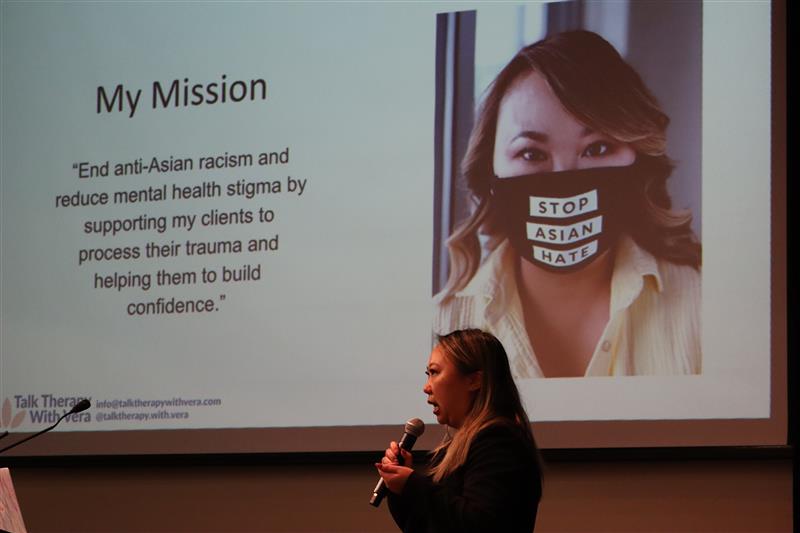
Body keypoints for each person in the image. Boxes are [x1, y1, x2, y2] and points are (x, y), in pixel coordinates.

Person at [433, 30, 702, 378]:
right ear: (490, 171)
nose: (564, 178)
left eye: (597, 149)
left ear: (639, 157)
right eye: (531, 153)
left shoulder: (705, 308)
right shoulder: (437, 329)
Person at [375, 329, 542, 533]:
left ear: (474, 380)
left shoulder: (499, 441)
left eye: (434, 372)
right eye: (428, 375)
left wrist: (412, 485)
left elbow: (480, 525)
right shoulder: (458, 446)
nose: (426, 388)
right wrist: (400, 489)